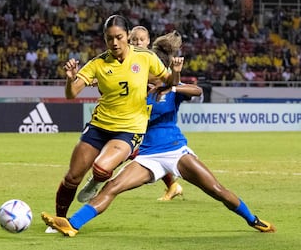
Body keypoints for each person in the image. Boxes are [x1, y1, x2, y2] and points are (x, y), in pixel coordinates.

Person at [41, 30, 276, 237]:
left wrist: (171, 84)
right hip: (147, 157)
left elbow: (197, 90)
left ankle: (253, 220)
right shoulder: (134, 93)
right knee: (112, 187)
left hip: (176, 151)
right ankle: (72, 224)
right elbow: (110, 82)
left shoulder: (170, 89)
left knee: (217, 190)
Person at [43, 15, 184, 232]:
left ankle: (98, 179)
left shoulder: (146, 57)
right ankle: (59, 220)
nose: (115, 43)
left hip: (130, 129)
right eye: (110, 39)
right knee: (72, 176)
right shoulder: (98, 63)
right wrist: (70, 79)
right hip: (99, 126)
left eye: (119, 37)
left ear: (127, 36)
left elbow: (170, 82)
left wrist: (174, 73)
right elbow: (72, 94)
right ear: (105, 39)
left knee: (101, 168)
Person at [129, 25, 183, 201]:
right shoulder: (135, 57)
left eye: (141, 40)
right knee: (136, 149)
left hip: (148, 112)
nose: (137, 43)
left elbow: (163, 81)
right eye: (134, 40)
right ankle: (172, 185)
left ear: (148, 41)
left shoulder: (150, 60)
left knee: (134, 149)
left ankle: (101, 178)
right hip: (140, 112)